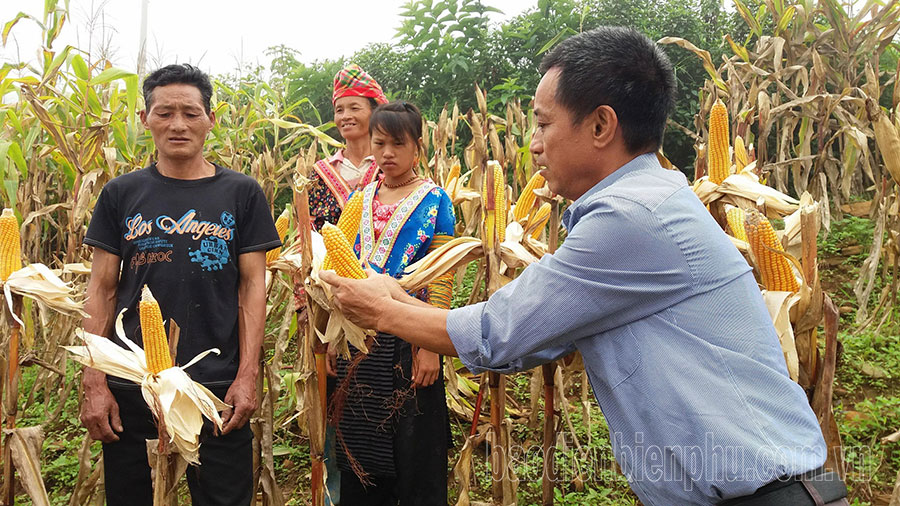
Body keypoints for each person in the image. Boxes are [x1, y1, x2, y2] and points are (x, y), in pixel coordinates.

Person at [320, 27, 848, 506]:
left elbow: (501, 332)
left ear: (601, 125)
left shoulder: (631, 217)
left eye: (544, 124)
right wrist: (394, 296)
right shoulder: (651, 199)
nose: (532, 145)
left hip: (771, 496)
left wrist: (382, 311)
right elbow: (536, 332)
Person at [80, 63, 281, 506]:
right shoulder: (120, 194)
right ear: (145, 120)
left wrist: (247, 375)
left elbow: (252, 287)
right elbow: (101, 289)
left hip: (216, 388)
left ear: (210, 119)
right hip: (135, 383)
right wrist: (95, 381)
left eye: (190, 113)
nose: (177, 124)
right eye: (164, 112)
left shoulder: (242, 193)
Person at [327, 100, 455, 505]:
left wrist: (431, 346)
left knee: (415, 453)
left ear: (418, 146)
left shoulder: (435, 200)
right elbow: (339, 267)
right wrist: (333, 337)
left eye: (397, 144)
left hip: (410, 337)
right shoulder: (359, 200)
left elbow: (442, 275)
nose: (386, 154)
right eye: (379, 143)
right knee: (361, 453)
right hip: (358, 343)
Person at [309, 64, 388, 231]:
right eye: (339, 110)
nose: (345, 116)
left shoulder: (390, 165)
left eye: (354, 108)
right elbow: (309, 231)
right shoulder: (319, 175)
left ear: (374, 113)